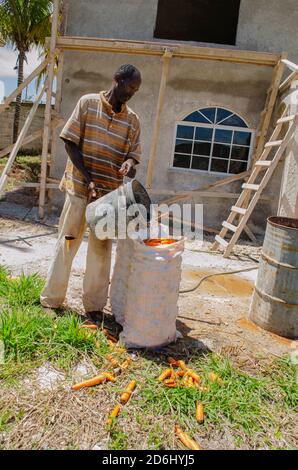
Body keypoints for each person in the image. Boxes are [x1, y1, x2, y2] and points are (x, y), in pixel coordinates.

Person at [40, 64, 142, 322]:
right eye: (130, 87)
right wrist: (89, 179)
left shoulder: (133, 120)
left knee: (101, 251)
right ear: (117, 79)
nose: (132, 93)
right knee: (67, 242)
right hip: (78, 188)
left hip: (109, 196)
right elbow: (69, 141)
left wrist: (129, 164)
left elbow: (134, 155)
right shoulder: (87, 103)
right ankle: (52, 300)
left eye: (136, 90)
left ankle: (94, 306)